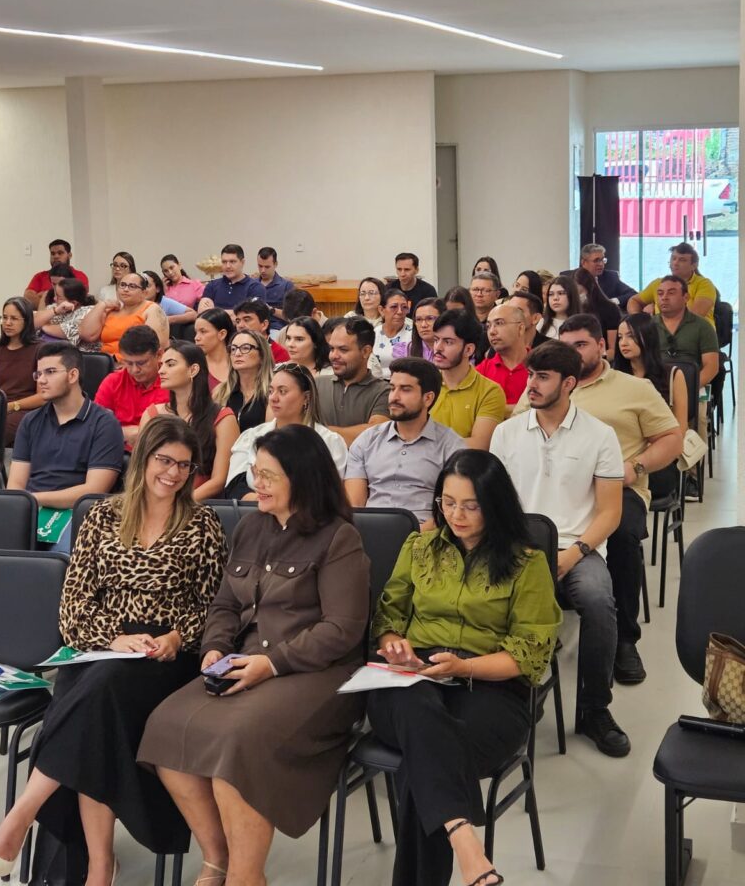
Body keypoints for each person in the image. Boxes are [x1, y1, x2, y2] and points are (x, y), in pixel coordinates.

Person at [0, 417, 227, 884]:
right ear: (144, 458)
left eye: (184, 466)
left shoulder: (203, 524)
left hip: (167, 655)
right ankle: (94, 861)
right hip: (102, 646)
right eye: (165, 460)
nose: (174, 473)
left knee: (95, 698)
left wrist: (176, 637)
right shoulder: (101, 516)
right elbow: (73, 604)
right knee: (95, 700)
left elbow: (214, 607)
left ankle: (26, 820)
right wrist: (113, 638)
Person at [138, 425, 369, 886]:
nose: (255, 483)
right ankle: (218, 859)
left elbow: (342, 630)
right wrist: (215, 648)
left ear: (301, 479)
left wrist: (272, 663)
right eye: (254, 472)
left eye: (267, 476)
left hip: (314, 673)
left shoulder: (338, 537)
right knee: (164, 727)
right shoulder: (250, 526)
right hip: (244, 661)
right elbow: (225, 604)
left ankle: (246, 877)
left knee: (237, 747)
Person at [367, 450, 560, 886]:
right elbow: (388, 616)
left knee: (427, 757)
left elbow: (530, 654)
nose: (456, 515)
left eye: (471, 505)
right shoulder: (419, 547)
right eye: (448, 502)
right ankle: (465, 842)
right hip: (411, 676)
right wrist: (395, 647)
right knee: (419, 711)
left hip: (489, 686)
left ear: (495, 504)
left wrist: (464, 667)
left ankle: (458, 837)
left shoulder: (526, 563)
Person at [491, 341, 628, 757]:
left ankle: (594, 709)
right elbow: (495, 503)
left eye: (543, 377)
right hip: (516, 546)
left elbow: (610, 513)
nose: (531, 384)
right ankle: (512, 696)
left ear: (569, 383)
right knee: (486, 597)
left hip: (576, 548)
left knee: (599, 602)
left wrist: (574, 554)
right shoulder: (507, 432)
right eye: (531, 375)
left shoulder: (600, 435)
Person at [547, 315, 682, 684]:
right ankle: (538, 625)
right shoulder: (548, 384)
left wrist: (635, 467)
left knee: (621, 535)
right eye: (565, 347)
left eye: (581, 345)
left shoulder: (635, 388)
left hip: (619, 488)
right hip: (556, 491)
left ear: (601, 346)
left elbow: (672, 439)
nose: (572, 354)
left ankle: (624, 638)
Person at [7, 343, 123, 552]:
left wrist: (32, 499)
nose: (41, 380)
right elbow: (15, 483)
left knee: (61, 555)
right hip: (33, 509)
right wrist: (24, 505)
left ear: (73, 375)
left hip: (77, 512)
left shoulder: (104, 423)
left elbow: (93, 491)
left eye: (50, 372)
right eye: (39, 373)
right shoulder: (30, 421)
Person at [345, 356, 463, 523]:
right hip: (370, 531)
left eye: (405, 390)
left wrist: (412, 535)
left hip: (424, 534)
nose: (394, 397)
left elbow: (451, 510)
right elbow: (355, 505)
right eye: (392, 388)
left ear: (428, 398)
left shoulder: (452, 446)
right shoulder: (367, 441)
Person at [225, 363, 347, 497]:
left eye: (282, 391)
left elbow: (329, 492)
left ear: (306, 398)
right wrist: (262, 500)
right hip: (255, 507)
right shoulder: (251, 436)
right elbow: (234, 486)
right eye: (270, 391)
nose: (273, 398)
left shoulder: (329, 441)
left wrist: (280, 502)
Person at [140, 341, 240, 501]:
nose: (161, 370)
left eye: (170, 364)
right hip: (154, 498)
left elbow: (219, 480)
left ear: (193, 370)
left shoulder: (223, 418)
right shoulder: (152, 415)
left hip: (199, 502)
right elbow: (140, 468)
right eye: (161, 365)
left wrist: (180, 503)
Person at [430, 309, 505, 449]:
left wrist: (426, 446)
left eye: (448, 342)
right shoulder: (423, 383)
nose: (438, 348)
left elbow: (480, 444)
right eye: (436, 340)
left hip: (464, 463)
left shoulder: (489, 391)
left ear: (469, 350)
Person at [316, 317, 389, 446]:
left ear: (365, 351)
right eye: (331, 348)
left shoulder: (384, 392)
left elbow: (375, 435)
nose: (333, 355)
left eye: (343, 350)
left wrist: (317, 432)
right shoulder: (316, 384)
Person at [94, 326, 169, 449]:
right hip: (115, 451)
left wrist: (137, 433)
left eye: (141, 363)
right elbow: (95, 426)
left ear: (159, 354)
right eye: (128, 363)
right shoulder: (112, 382)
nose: (135, 370)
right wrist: (124, 433)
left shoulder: (173, 383)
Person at [615, 313, 688, 432]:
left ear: (648, 337)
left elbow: (681, 426)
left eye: (631, 336)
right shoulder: (615, 375)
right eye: (620, 337)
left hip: (665, 438)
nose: (623, 343)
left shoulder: (673, 375)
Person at [0, 296, 42, 445]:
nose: (7, 323)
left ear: (27, 321)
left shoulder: (40, 350)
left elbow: (43, 396)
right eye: (4, 318)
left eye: (14, 318)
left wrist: (12, 406)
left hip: (26, 409)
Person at [80, 272, 169, 361]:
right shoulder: (111, 309)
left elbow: (155, 346)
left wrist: (123, 361)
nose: (126, 289)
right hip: (106, 362)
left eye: (132, 286)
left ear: (144, 292)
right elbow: (87, 335)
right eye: (122, 285)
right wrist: (102, 305)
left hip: (135, 363)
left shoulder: (152, 309)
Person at [627, 242, 718, 327]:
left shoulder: (704, 284)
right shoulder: (658, 283)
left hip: (696, 333)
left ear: (694, 265)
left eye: (682, 260)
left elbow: (695, 316)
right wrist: (639, 321)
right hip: (661, 333)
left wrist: (655, 318)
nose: (675, 263)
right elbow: (634, 301)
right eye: (673, 258)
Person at [653, 276, 719, 388]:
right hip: (654, 386)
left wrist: (688, 388)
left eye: (671, 293)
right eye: (660, 294)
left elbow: (711, 367)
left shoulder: (703, 326)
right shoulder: (647, 326)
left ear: (686, 297)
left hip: (692, 385)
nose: (664, 297)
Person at [213, 329, 274, 432]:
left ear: (262, 355)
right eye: (233, 349)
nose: (237, 353)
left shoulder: (272, 393)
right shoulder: (220, 392)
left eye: (245, 348)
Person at [476, 303, 529, 407]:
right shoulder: (481, 371)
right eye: (488, 326)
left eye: (499, 323)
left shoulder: (540, 366)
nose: (492, 332)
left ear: (520, 328)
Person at [33, 278, 100, 352]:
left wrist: (42, 325)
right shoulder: (55, 307)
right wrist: (55, 311)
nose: (54, 299)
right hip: (50, 350)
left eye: (58, 297)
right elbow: (32, 321)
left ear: (73, 303)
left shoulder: (88, 311)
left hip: (79, 355)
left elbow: (67, 331)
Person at [562, 243, 636, 308]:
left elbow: (632, 294)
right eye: (596, 260)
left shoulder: (610, 277)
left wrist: (612, 302)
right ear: (584, 262)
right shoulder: (567, 277)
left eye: (603, 260)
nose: (601, 264)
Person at [24, 239, 89, 306]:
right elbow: (28, 296)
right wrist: (48, 306)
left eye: (60, 253)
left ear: (69, 255)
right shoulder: (40, 276)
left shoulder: (79, 275)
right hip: (44, 311)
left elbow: (79, 299)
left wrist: (44, 295)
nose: (56, 256)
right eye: (53, 254)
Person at [573, 268, 621, 360]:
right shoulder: (572, 309)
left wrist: (594, 359)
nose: (580, 297)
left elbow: (613, 350)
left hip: (602, 359)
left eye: (581, 292)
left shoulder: (609, 309)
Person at [199, 244, 259, 315]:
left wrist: (213, 311)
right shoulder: (212, 285)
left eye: (232, 262)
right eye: (224, 262)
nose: (228, 266)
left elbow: (250, 317)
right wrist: (235, 313)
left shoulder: (255, 287)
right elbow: (202, 313)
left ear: (242, 262)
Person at [251, 247, 294, 330]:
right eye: (260, 266)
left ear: (275, 264)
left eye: (267, 267)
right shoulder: (252, 284)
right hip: (253, 327)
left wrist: (271, 310)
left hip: (275, 328)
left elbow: (292, 316)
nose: (263, 270)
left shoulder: (286, 285)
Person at [374, 288, 413, 377]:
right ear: (381, 310)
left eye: (404, 307)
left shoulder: (413, 334)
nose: (399, 312)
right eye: (394, 307)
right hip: (376, 382)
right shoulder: (374, 333)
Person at [393, 296, 445, 362]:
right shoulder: (405, 350)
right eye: (418, 319)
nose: (423, 325)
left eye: (430, 318)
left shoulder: (453, 350)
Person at [194, 308, 234, 391]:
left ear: (222, 334)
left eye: (203, 331)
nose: (196, 338)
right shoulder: (194, 366)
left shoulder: (240, 362)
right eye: (196, 332)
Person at [537, 275, 581, 340]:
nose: (555, 298)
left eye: (561, 293)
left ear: (571, 295)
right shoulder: (542, 324)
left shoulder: (582, 324)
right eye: (551, 294)